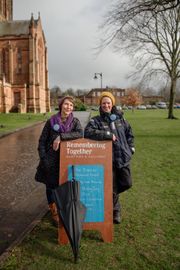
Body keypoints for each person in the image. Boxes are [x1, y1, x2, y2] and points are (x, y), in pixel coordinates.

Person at [84, 92, 135, 224]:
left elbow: (130, 134)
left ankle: (111, 201)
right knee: (112, 187)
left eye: (108, 103)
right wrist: (107, 134)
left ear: (112, 104)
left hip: (123, 157)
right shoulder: (96, 120)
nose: (106, 105)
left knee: (126, 183)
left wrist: (131, 148)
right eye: (103, 103)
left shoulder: (121, 119)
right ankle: (115, 210)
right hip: (108, 160)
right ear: (100, 105)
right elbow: (88, 132)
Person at [35, 96, 83, 226]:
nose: (68, 107)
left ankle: (64, 208)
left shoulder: (75, 122)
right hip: (50, 161)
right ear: (61, 105)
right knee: (50, 187)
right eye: (66, 104)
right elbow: (42, 141)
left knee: (64, 185)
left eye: (71, 105)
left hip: (67, 160)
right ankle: (54, 211)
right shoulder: (51, 121)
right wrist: (43, 158)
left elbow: (79, 133)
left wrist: (61, 137)